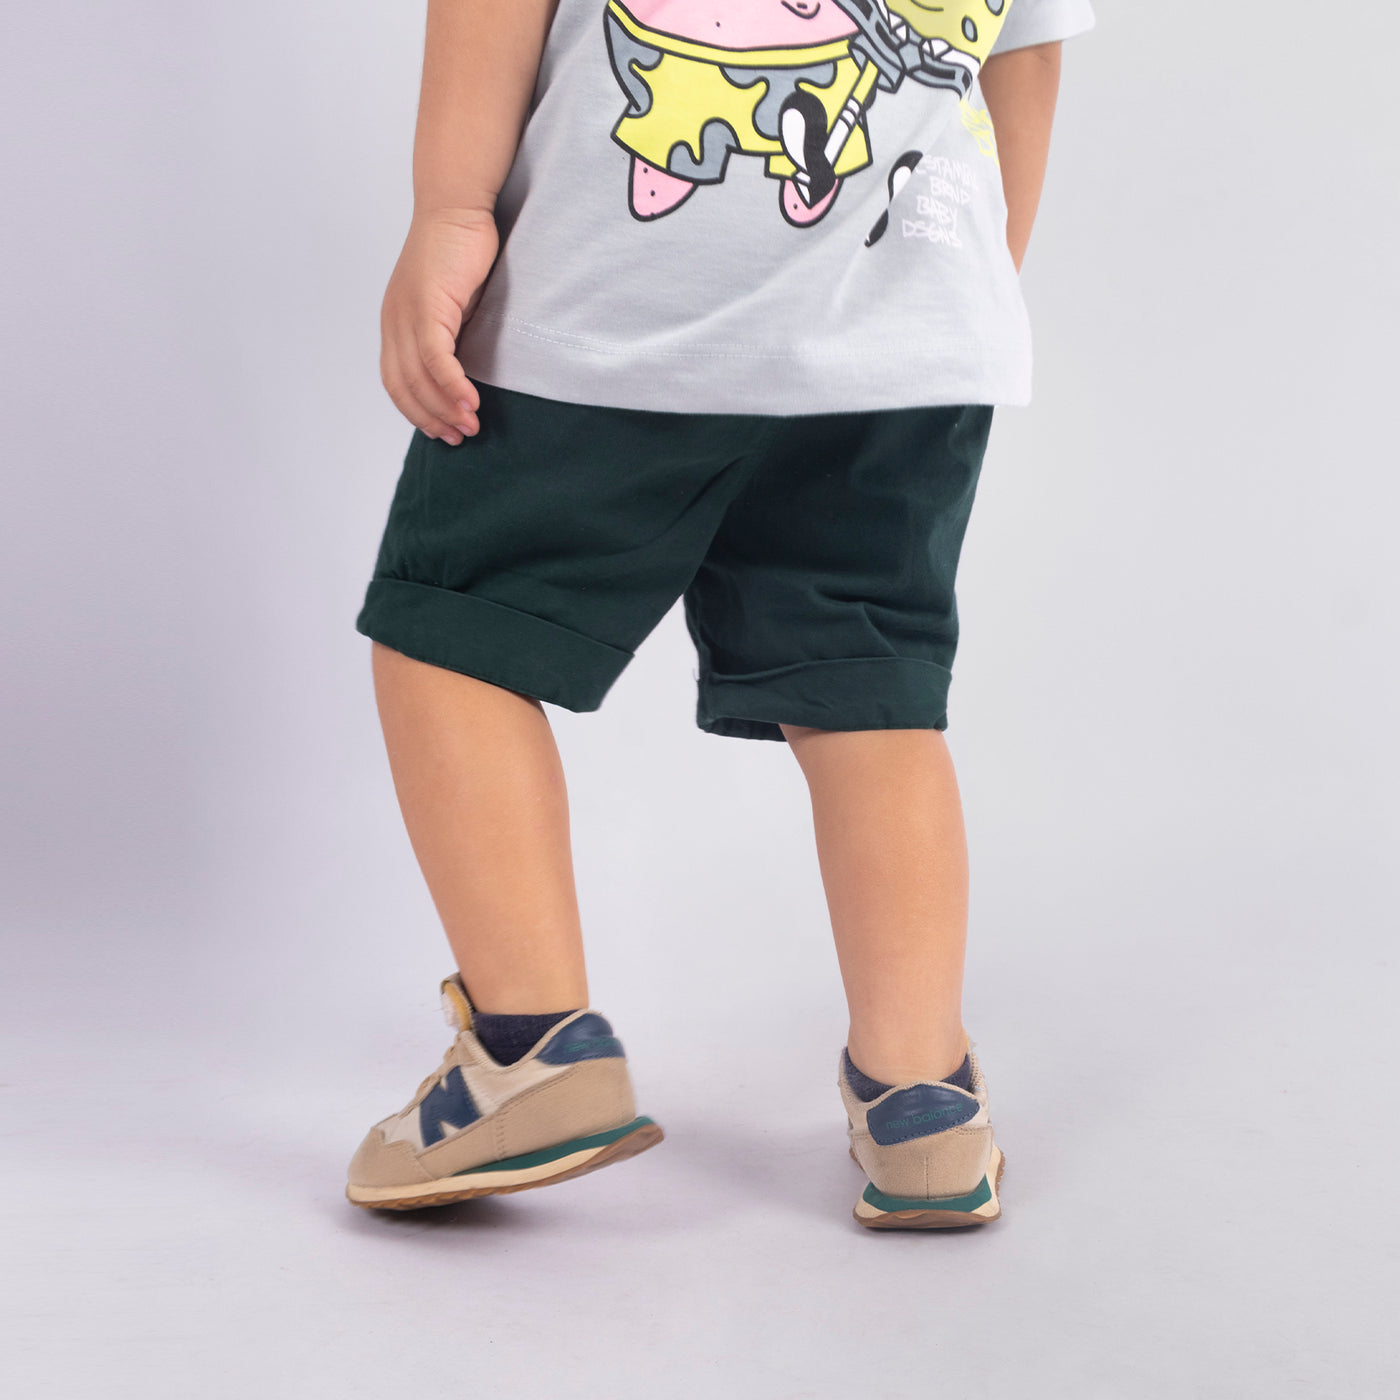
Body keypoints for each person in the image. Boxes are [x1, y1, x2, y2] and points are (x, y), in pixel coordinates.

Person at [345, 0, 1094, 1228]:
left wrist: (451, 211)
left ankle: (532, 1049)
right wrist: (966, 280)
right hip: (900, 330)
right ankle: (920, 1105)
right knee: (865, 681)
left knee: (453, 630)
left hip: (610, 310)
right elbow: (1023, 47)